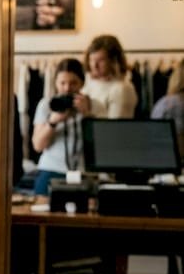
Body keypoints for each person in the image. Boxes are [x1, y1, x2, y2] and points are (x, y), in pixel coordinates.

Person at [31, 58, 103, 196]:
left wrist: (87, 115)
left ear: (82, 83)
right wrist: (53, 121)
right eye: (62, 83)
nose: (67, 88)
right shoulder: (47, 105)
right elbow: (38, 146)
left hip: (85, 173)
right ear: (55, 83)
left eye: (73, 83)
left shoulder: (95, 106)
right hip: (50, 170)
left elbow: (103, 146)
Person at [81, 34, 138, 118]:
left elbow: (114, 127)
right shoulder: (88, 83)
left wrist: (86, 112)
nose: (94, 65)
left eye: (100, 60)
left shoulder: (121, 89)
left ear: (114, 61)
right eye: (91, 60)